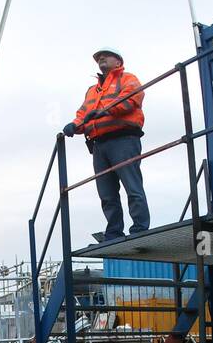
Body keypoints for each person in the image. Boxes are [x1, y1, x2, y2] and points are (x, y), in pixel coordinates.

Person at [63, 45, 150, 244]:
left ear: (118, 62)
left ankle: (139, 229)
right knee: (106, 193)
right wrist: (74, 126)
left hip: (123, 139)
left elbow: (131, 99)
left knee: (132, 186)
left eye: (105, 56)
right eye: (98, 58)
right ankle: (114, 232)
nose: (101, 59)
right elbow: (83, 114)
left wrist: (104, 111)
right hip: (99, 144)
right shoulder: (93, 90)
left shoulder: (128, 79)